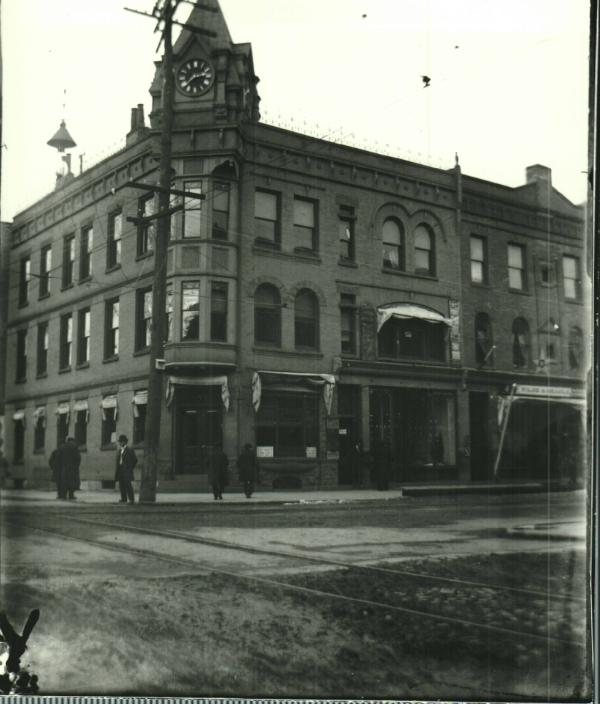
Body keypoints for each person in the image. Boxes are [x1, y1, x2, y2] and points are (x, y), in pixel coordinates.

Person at [114, 434, 137, 504]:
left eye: (121, 442)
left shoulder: (129, 450)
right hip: (120, 470)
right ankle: (123, 498)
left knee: (128, 485)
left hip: (127, 471)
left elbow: (135, 460)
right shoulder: (119, 451)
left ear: (125, 442)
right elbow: (118, 461)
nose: (120, 443)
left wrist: (129, 468)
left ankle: (131, 499)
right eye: (120, 442)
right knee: (122, 485)